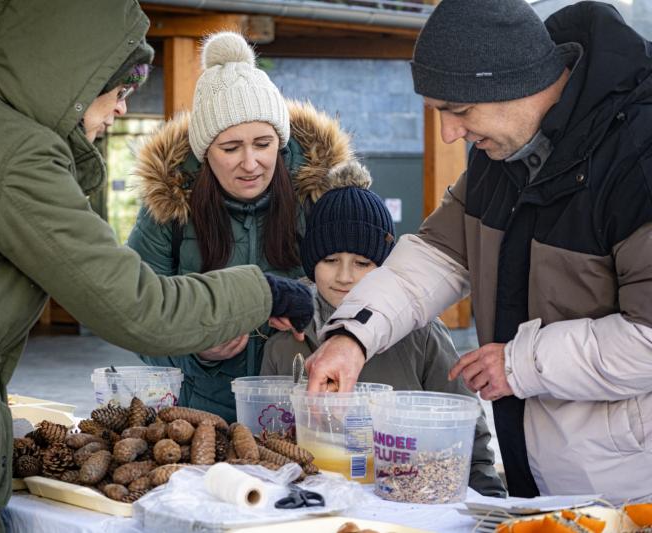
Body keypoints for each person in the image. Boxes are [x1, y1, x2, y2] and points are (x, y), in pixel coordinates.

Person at [0, 2, 313, 531]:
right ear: (72, 74)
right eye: (118, 91)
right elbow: (136, 306)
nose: (120, 110)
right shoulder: (15, 153)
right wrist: (268, 293)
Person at [304, 0, 652, 502]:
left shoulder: (638, 156)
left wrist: (520, 365)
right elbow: (434, 256)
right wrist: (352, 336)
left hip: (631, 490)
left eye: (459, 111)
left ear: (513, 82)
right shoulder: (501, 154)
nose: (450, 133)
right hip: (542, 479)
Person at [127, 31, 360, 421]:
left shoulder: (322, 197)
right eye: (231, 148)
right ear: (205, 155)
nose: (250, 163)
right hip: (200, 418)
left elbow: (364, 295)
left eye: (263, 144)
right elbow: (134, 312)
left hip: (306, 415)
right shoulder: (167, 206)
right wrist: (195, 349)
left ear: (280, 144)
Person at [261, 178, 506, 497]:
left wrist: (487, 497)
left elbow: (467, 438)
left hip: (409, 504)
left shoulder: (423, 334)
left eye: (362, 263)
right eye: (330, 260)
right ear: (311, 262)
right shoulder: (284, 339)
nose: (345, 276)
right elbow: (268, 440)